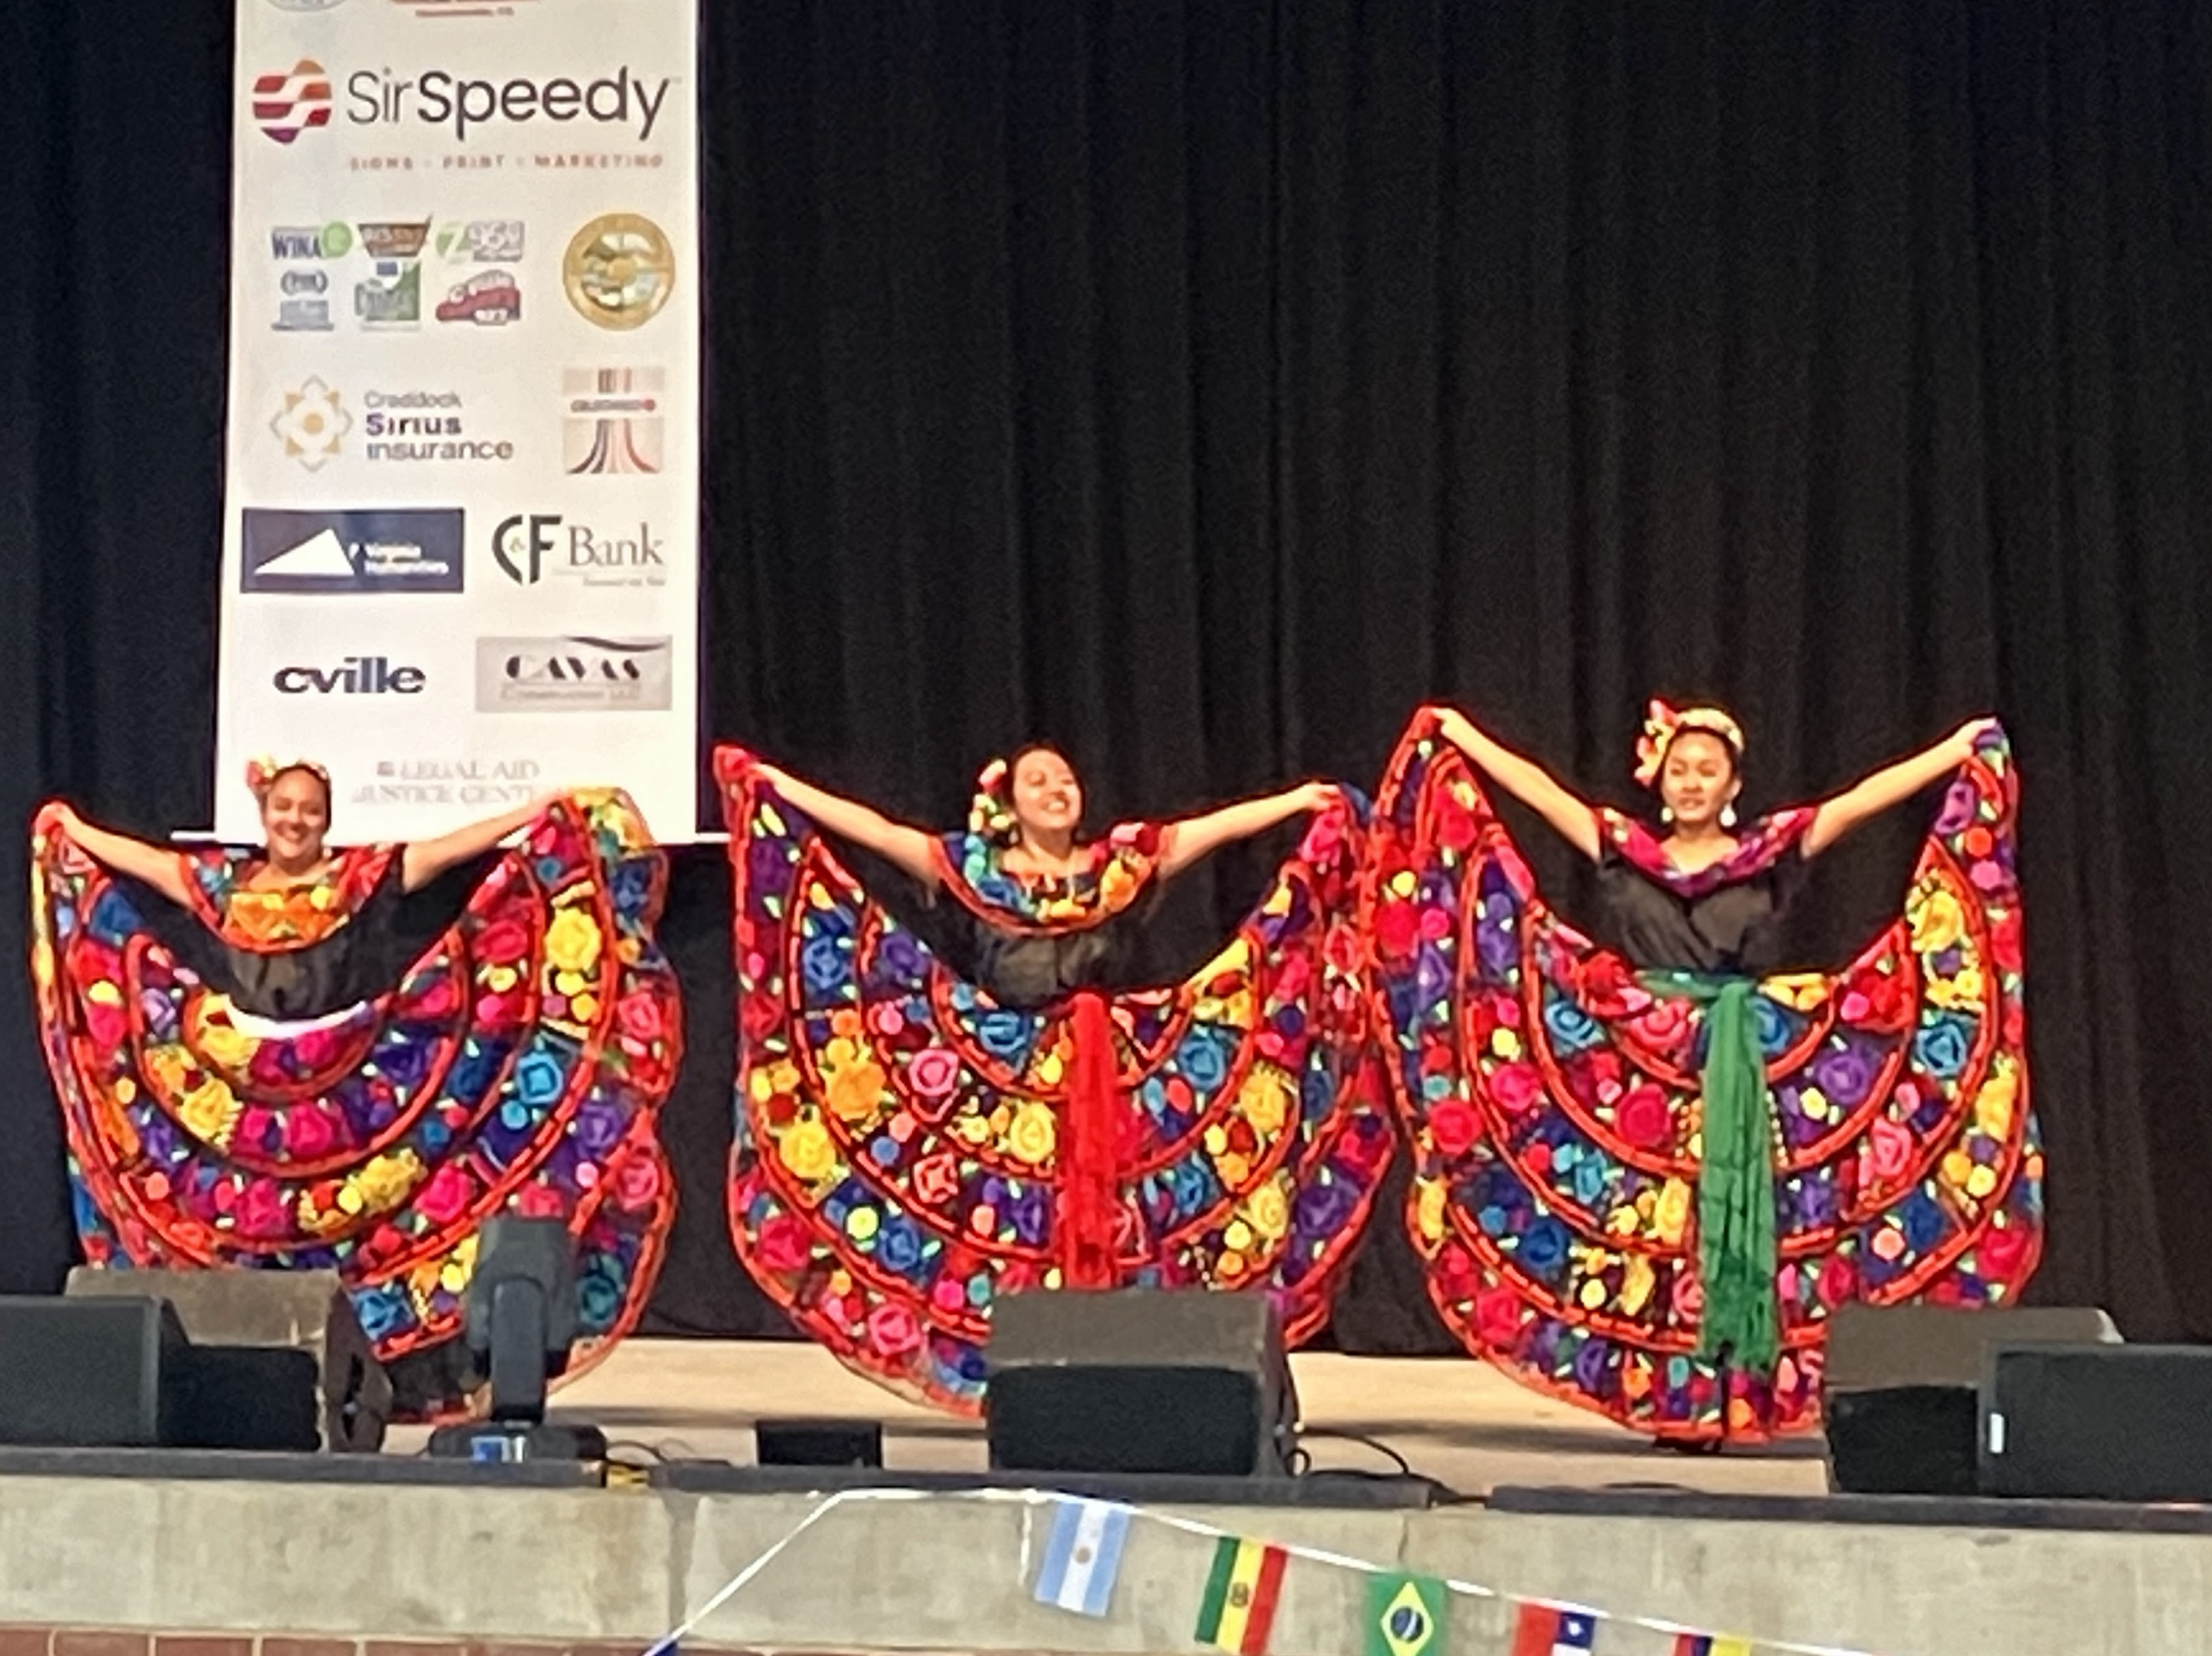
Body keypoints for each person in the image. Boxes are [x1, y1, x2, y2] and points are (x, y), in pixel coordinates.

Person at [1366, 701, 2043, 1443]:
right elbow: (1537, 791)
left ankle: (1740, 1392)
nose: (1692, 783)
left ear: (1733, 786)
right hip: (1643, 1062)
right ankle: (1674, 1398)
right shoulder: (1623, 847)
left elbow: (1858, 803)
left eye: (1707, 771)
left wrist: (1952, 749)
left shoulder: (1770, 849)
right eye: (1680, 770)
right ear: (1660, 780)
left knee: (1747, 1221)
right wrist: (1461, 736)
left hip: (1742, 1053)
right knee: (1659, 1229)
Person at [716, 741, 1395, 1412]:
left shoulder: (1116, 868)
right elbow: (881, 833)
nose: (1055, 789)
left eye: (1066, 779)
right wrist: (779, 785)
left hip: (1117, 1071)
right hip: (1008, 1071)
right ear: (1011, 804)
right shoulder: (977, 870)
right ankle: (1038, 1383)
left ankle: (1130, 1373)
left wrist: (1300, 803)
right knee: (1023, 1226)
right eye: (1038, 781)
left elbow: (1206, 832)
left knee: (1129, 1218)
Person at [29, 759, 684, 1418]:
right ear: (264, 811)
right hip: (242, 1086)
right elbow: (150, 864)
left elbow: (450, 850)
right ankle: (247, 1363)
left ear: (328, 819)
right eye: (285, 807)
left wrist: (536, 811)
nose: (295, 820)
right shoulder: (225, 884)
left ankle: (362, 1366)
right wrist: (74, 828)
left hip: (350, 1084)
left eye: (310, 810)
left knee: (362, 1228)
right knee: (247, 1221)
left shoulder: (358, 878)